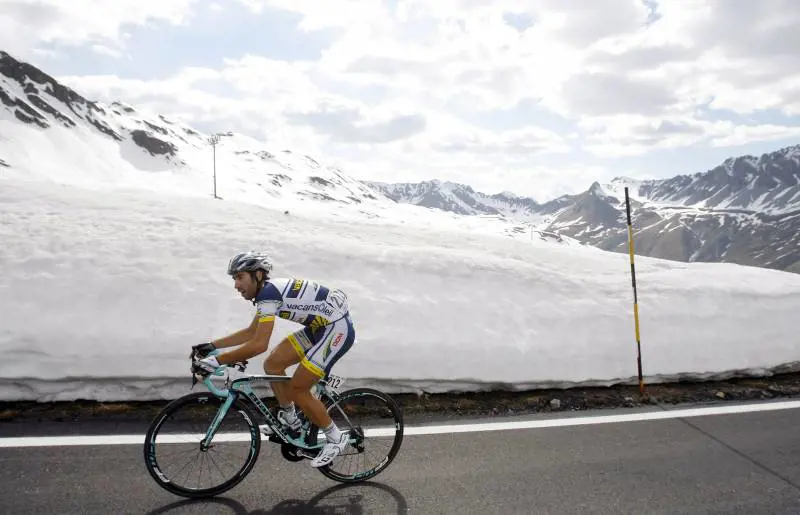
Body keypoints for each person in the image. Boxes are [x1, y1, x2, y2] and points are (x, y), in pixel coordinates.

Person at [191, 251, 355, 468]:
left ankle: (335, 438)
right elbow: (251, 333)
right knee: (273, 364)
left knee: (299, 388)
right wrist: (213, 346)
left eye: (239, 277)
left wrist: (217, 361)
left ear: (257, 275)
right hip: (319, 328)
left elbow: (259, 344)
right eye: (234, 279)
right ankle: (291, 419)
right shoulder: (266, 294)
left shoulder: (268, 295)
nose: (236, 285)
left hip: (336, 330)